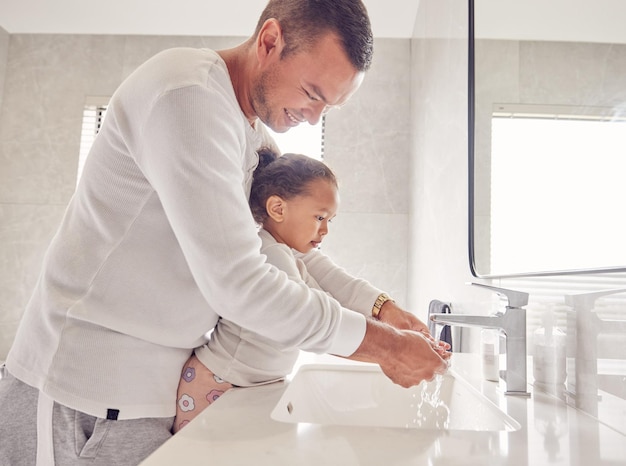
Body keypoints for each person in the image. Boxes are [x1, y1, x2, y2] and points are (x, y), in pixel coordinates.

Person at [0, 0, 448, 464]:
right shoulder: (187, 96)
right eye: (312, 93)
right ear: (270, 41)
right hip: (77, 392)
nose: (313, 118)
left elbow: (295, 250)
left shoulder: (252, 135)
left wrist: (383, 310)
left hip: (145, 398)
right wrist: (385, 348)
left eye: (328, 106)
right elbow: (240, 283)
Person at [174, 148, 450, 432]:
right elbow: (318, 322)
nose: (326, 230)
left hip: (241, 381)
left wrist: (395, 327)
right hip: (218, 383)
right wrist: (394, 348)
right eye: (320, 218)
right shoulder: (270, 255)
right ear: (278, 209)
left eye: (330, 220)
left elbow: (329, 301)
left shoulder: (286, 252)